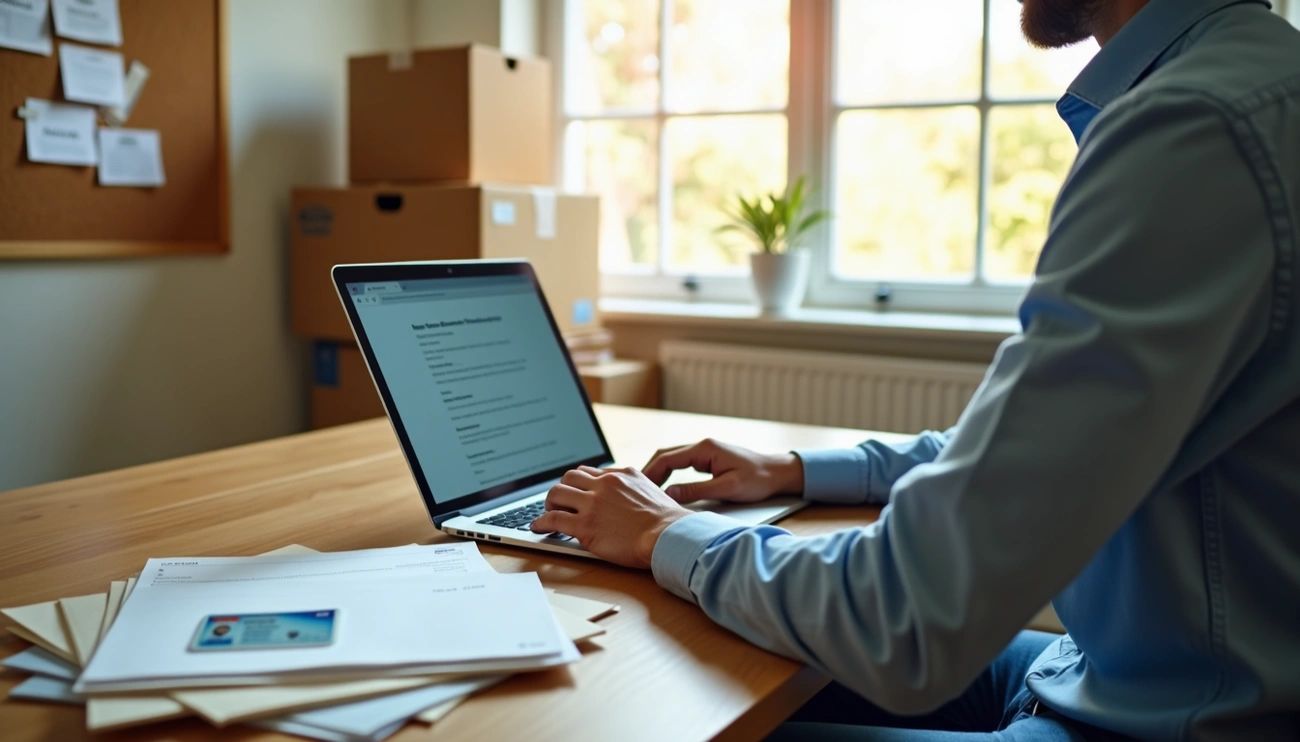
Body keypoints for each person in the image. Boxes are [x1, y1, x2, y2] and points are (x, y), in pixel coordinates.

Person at [532, 0, 1300, 738]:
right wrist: (794, 469)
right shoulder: (1250, 86)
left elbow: (905, 623)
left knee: (651, 711)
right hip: (1122, 672)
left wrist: (667, 533)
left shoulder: (1196, 129)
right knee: (719, 673)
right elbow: (1019, 463)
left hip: (1160, 721)